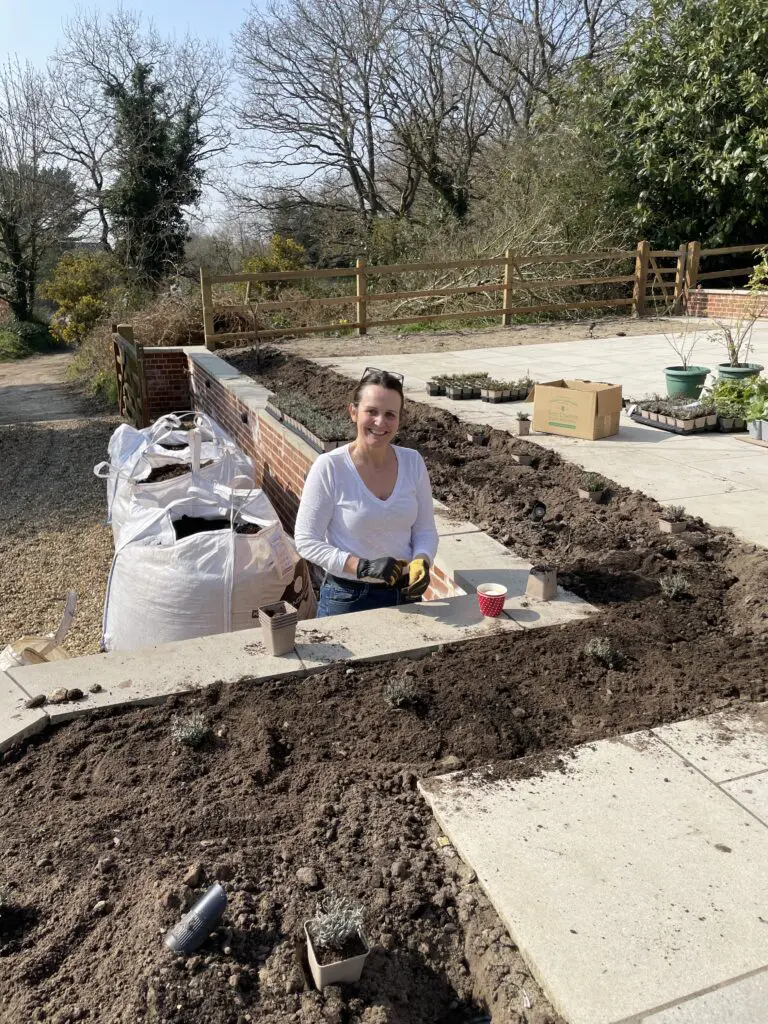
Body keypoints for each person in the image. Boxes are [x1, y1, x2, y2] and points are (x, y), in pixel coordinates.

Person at [294, 368, 439, 617]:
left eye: (390, 415)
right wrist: (361, 566)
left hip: (403, 595)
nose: (380, 422)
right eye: (371, 411)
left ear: (399, 419)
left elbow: (425, 530)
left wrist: (422, 560)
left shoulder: (412, 462)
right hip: (348, 598)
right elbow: (306, 541)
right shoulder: (331, 468)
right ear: (353, 412)